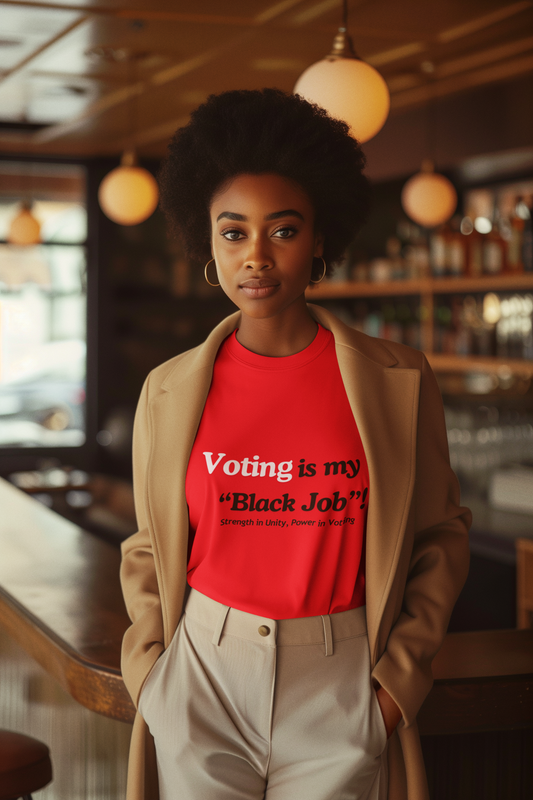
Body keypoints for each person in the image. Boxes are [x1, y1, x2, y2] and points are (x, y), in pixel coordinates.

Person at [120, 88, 471, 800]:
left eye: (281, 231)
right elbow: (147, 546)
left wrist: (396, 685)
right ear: (205, 242)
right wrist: (152, 672)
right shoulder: (166, 389)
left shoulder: (396, 379)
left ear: (318, 240)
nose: (255, 256)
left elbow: (440, 536)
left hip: (340, 679)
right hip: (202, 677)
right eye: (232, 232)